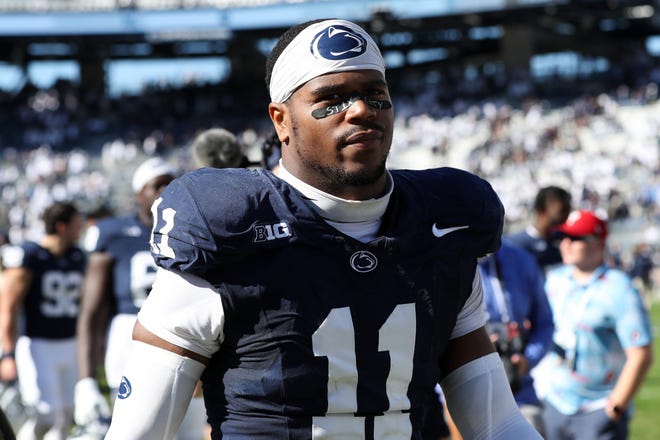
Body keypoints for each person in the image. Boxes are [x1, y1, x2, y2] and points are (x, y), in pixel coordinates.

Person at [105, 19, 542, 439]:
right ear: (281, 121)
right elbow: (138, 433)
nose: (359, 110)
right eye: (331, 98)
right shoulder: (228, 230)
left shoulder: (440, 228)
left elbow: (498, 425)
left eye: (375, 93)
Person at [73, 157, 177, 435]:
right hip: (129, 334)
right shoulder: (113, 233)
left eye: (170, 183)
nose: (165, 191)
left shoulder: (191, 229)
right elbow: (91, 311)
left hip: (180, 332)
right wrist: (85, 379)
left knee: (185, 429)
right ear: (138, 193)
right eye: (157, 185)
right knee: (134, 429)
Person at [542, 210, 654, 440]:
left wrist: (615, 408)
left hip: (597, 408)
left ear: (598, 243)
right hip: (555, 402)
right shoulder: (555, 280)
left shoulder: (619, 289)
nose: (566, 244)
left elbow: (641, 354)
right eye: (563, 237)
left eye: (576, 238)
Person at [0, 201, 85, 440]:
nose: (81, 229)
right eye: (77, 224)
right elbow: (8, 306)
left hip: (70, 342)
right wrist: (8, 354)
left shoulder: (77, 255)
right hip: (37, 343)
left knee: (66, 415)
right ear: (61, 227)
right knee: (46, 415)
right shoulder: (30, 256)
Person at [478, 241, 554, 435]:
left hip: (520, 392)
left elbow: (544, 323)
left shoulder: (521, 261)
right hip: (463, 395)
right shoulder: (441, 261)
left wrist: (528, 359)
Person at [508, 185, 572, 274]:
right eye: (561, 212)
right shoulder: (514, 245)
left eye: (568, 211)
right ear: (541, 210)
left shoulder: (568, 241)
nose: (567, 218)